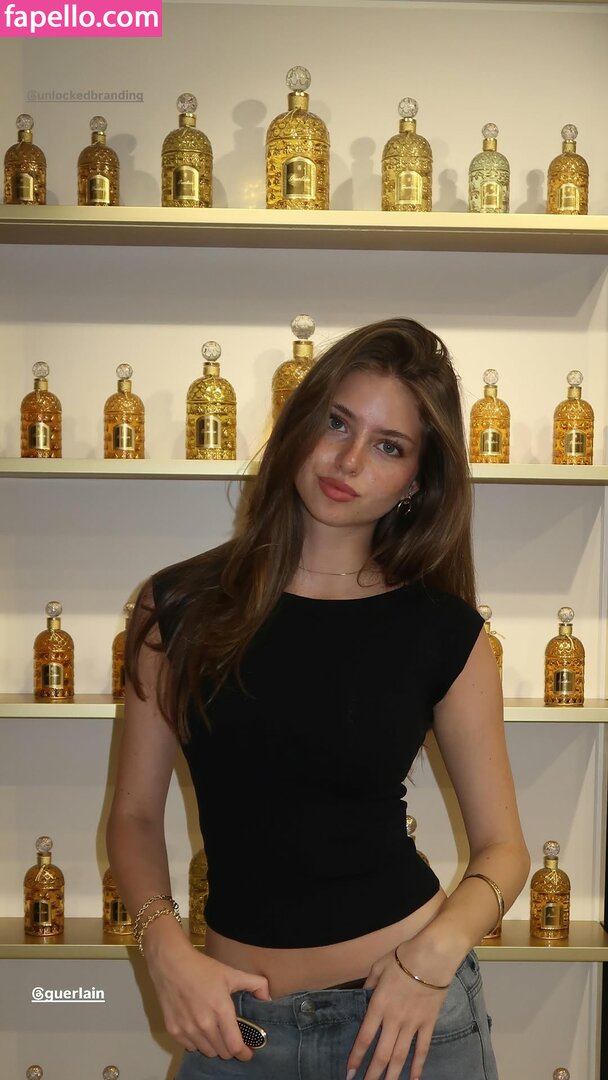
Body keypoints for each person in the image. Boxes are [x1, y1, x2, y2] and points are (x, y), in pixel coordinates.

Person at [106, 316, 530, 1080]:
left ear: (416, 481)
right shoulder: (178, 606)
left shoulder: (445, 631)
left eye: (389, 446)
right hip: (235, 1029)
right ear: (301, 423)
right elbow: (135, 815)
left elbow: (505, 850)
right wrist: (164, 948)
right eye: (338, 422)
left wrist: (433, 956)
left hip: (406, 1020)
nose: (349, 460)